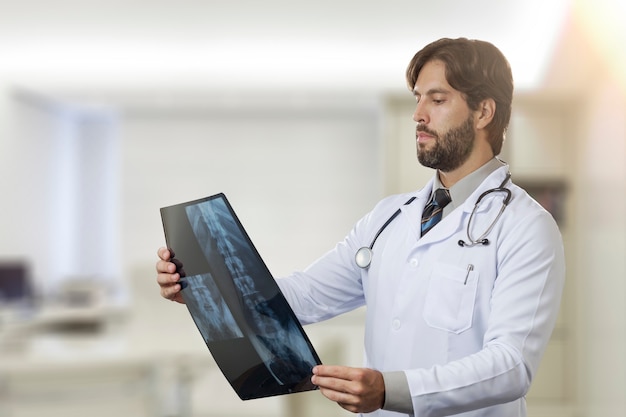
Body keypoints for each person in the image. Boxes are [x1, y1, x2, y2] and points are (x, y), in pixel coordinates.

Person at [156, 37, 565, 417]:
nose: (418, 115)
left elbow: (510, 365)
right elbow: (307, 295)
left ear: (483, 112)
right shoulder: (388, 218)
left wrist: (391, 389)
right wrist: (205, 282)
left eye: (437, 100)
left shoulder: (527, 227)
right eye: (418, 99)